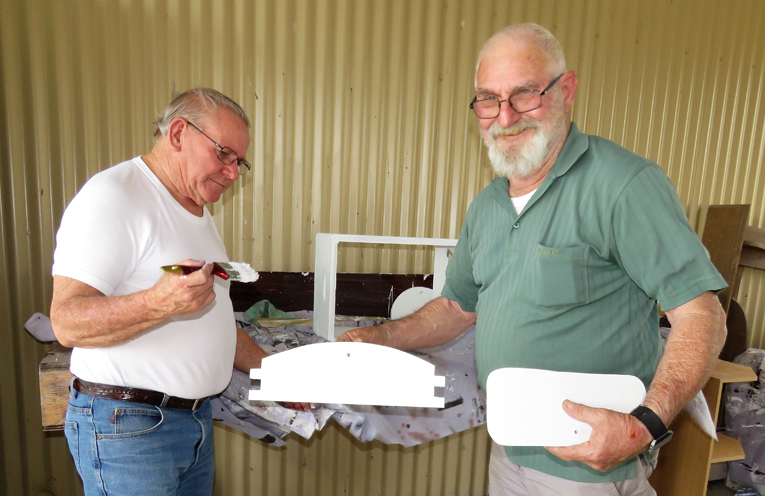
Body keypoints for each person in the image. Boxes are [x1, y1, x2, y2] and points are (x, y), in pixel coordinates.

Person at [338, 23, 728, 495]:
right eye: (488, 100)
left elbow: (702, 316)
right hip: (509, 449)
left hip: (585, 465)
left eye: (524, 95)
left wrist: (644, 424)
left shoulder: (623, 185)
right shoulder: (488, 205)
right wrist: (378, 338)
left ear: (566, 90)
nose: (504, 118)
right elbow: (458, 307)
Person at [50, 88, 274, 496]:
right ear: (177, 134)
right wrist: (158, 303)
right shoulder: (115, 196)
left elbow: (213, 319)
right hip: (129, 428)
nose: (232, 172)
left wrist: (277, 373)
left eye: (239, 162)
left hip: (191, 424)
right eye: (224, 155)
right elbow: (66, 322)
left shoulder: (194, 209)